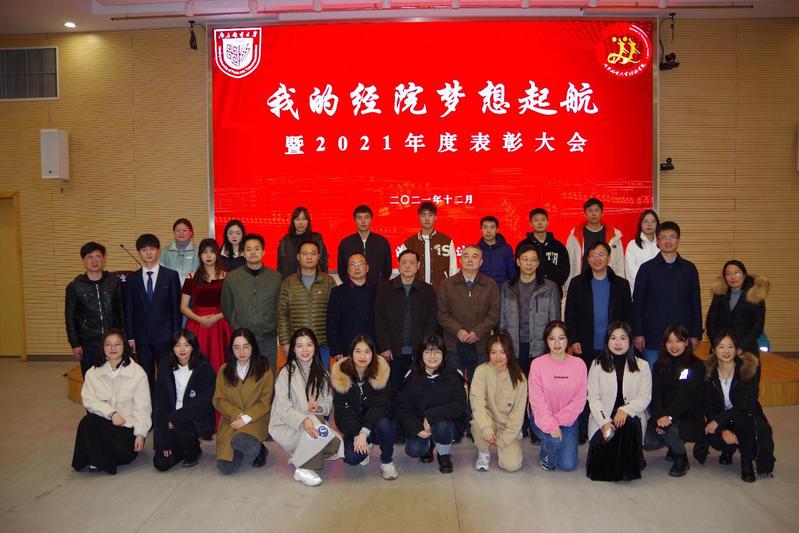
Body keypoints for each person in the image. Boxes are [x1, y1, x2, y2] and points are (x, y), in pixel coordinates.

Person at [565, 241, 633, 442]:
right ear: (587, 259)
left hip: (613, 347)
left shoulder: (621, 285)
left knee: (609, 387)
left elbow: (627, 317)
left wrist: (624, 342)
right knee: (584, 389)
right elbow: (570, 314)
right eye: (593, 255)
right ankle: (583, 428)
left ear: (609, 257)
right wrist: (573, 339)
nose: (597, 259)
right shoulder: (577, 283)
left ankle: (609, 424)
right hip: (585, 346)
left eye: (601, 254)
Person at [269, 328, 343, 487]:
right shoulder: (285, 373)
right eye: (299, 345)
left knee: (335, 445)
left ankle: (302, 454)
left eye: (309, 345)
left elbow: (327, 402)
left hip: (313, 421)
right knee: (318, 433)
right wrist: (303, 419)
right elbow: (282, 408)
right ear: (293, 349)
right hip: (288, 424)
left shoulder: (321, 372)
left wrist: (318, 408)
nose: (305, 350)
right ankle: (304, 468)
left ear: (315, 347)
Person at [72, 329, 151, 475]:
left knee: (102, 437)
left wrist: (141, 434)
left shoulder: (137, 373)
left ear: (124, 346)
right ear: (102, 348)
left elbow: (143, 408)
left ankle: (97, 458)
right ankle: (98, 458)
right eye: (108, 344)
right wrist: (111, 413)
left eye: (117, 344)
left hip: (127, 430)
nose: (112, 348)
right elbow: (89, 400)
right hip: (105, 424)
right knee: (88, 421)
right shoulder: (93, 373)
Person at [704, 330, 775, 482]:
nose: (726, 351)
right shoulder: (708, 372)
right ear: (714, 349)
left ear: (736, 349)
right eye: (721, 346)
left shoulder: (748, 369)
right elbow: (708, 404)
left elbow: (747, 404)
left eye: (730, 347)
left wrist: (719, 420)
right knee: (715, 437)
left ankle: (746, 460)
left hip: (745, 414)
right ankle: (728, 450)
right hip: (722, 416)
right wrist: (723, 429)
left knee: (745, 424)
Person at [586, 322, 651, 482]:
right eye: (613, 338)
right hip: (603, 415)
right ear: (607, 341)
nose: (618, 343)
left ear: (630, 341)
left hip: (631, 414)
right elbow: (593, 398)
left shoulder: (642, 365)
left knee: (627, 426)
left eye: (623, 338)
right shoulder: (596, 364)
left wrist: (625, 410)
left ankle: (630, 465)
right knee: (604, 447)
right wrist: (604, 422)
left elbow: (645, 397)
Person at [633, 221, 702, 368]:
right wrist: (638, 333)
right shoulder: (646, 269)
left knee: (681, 377)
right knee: (653, 376)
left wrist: (696, 334)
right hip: (652, 337)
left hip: (681, 337)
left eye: (672, 237)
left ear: (678, 240)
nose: (668, 241)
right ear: (657, 241)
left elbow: (695, 303)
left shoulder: (689, 269)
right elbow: (638, 303)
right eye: (663, 237)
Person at [395, 335, 468, 474]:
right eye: (428, 352)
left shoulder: (453, 375)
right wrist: (416, 429)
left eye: (437, 352)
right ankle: (429, 446)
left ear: (444, 354)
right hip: (420, 424)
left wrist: (431, 416)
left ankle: (443, 454)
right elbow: (403, 408)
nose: (432, 356)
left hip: (446, 424)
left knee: (441, 427)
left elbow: (459, 405)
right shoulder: (412, 376)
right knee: (414, 450)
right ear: (420, 354)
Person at [331, 334, 399, 480]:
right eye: (358, 351)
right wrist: (358, 434)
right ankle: (365, 446)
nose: (362, 356)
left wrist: (364, 432)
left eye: (367, 351)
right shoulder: (341, 373)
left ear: (373, 353)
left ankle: (386, 461)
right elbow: (342, 410)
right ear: (351, 353)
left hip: (375, 422)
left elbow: (381, 406)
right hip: (354, 425)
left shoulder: (381, 370)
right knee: (351, 458)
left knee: (385, 424)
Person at [644, 324, 707, 477]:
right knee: (648, 441)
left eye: (678, 341)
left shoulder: (696, 365)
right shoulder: (659, 365)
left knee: (672, 430)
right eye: (669, 341)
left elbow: (686, 396)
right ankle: (673, 445)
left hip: (688, 415)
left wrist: (669, 418)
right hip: (663, 415)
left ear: (686, 342)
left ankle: (681, 457)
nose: (673, 346)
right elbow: (656, 394)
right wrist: (659, 417)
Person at [374, 249, 438, 392]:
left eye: (411, 262)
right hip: (392, 352)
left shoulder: (428, 291)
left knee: (418, 390)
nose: (407, 266)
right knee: (394, 390)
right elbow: (379, 320)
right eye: (403, 262)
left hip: (419, 351)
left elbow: (431, 322)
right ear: (398, 265)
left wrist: (424, 348)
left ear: (418, 265)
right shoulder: (385, 289)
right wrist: (384, 346)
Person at [153, 329, 215, 471]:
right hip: (170, 420)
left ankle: (194, 451)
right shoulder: (165, 367)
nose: (182, 349)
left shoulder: (204, 368)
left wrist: (176, 417)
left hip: (192, 418)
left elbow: (204, 403)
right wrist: (163, 441)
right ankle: (181, 449)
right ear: (172, 348)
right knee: (161, 463)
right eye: (177, 345)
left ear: (193, 347)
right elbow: (160, 404)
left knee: (183, 428)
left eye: (186, 345)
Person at [125, 233, 181, 390]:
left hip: (165, 336)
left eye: (152, 249)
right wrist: (130, 336)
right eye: (144, 250)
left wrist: (176, 335)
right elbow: (129, 308)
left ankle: (166, 403)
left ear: (158, 250)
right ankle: (148, 403)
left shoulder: (171, 276)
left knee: (166, 374)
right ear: (139, 253)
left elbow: (175, 308)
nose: (148, 253)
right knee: (145, 375)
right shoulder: (132, 278)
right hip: (142, 337)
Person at [528, 321, 587, 472]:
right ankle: (548, 454)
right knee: (554, 442)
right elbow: (537, 401)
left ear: (568, 340)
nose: (557, 343)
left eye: (561, 338)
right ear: (546, 341)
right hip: (542, 419)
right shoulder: (537, 364)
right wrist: (551, 425)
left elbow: (579, 400)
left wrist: (558, 421)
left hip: (568, 421)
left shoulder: (579, 364)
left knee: (568, 465)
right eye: (552, 338)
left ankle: (553, 445)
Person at [213, 328, 273, 474]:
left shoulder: (264, 369)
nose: (241, 352)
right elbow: (218, 399)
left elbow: (265, 402)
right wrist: (237, 414)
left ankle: (260, 449)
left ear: (253, 347)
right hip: (231, 420)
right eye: (237, 347)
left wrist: (246, 418)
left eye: (246, 347)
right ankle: (239, 448)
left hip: (255, 419)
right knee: (226, 468)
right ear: (231, 349)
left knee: (242, 441)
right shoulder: (224, 370)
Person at [437, 245, 500, 381]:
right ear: (460, 260)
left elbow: (494, 313)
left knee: (480, 385)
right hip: (453, 345)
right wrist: (458, 330)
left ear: (481, 262)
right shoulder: (446, 284)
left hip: (481, 346)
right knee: (453, 384)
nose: (470, 260)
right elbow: (441, 313)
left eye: (474, 256)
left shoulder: (490, 285)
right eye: (466, 256)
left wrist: (477, 332)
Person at [220, 234, 282, 373]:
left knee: (268, 376)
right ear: (243, 253)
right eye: (248, 249)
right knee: (243, 377)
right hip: (242, 339)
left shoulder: (275, 277)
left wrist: (273, 325)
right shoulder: (233, 277)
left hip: (268, 338)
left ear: (263, 252)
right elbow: (227, 307)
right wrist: (237, 327)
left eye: (256, 249)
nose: (253, 252)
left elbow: (280, 307)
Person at [470, 331, 528, 473]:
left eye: (502, 352)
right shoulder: (481, 371)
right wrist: (486, 428)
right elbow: (477, 402)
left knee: (512, 465)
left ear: (510, 352)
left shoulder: (520, 378)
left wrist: (503, 440)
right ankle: (483, 452)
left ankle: (509, 445)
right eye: (493, 352)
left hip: (507, 426)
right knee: (477, 424)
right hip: (487, 420)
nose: (498, 357)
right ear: (488, 353)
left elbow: (518, 415)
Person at [500, 244, 561, 376]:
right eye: (525, 259)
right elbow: (502, 320)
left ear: (538, 263)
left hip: (541, 345)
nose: (529, 263)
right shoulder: (507, 287)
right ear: (518, 262)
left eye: (533, 260)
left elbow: (555, 322)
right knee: (517, 384)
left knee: (539, 383)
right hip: (514, 345)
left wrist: (552, 345)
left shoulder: (550, 287)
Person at [65, 241, 125, 375]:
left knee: (115, 376)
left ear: (103, 259)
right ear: (83, 260)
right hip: (88, 341)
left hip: (113, 340)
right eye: (90, 257)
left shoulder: (114, 282)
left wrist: (124, 337)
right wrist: (75, 343)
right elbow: (70, 318)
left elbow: (122, 311)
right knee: (91, 378)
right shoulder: (75, 287)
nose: (94, 261)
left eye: (98, 257)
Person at [278, 240, 336, 368]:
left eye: (313, 253)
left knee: (322, 378)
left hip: (322, 344)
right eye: (305, 253)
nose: (309, 257)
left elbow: (335, 315)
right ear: (298, 257)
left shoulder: (328, 281)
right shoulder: (288, 282)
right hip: (298, 344)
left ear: (318, 257)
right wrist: (285, 342)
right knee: (298, 378)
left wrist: (335, 341)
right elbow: (282, 314)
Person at [181, 238, 231, 372]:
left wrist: (217, 317)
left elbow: (233, 304)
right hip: (197, 324)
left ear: (217, 254)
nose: (208, 256)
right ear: (200, 255)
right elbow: (183, 306)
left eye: (212, 252)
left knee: (220, 361)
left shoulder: (227, 276)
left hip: (220, 323)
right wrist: (199, 319)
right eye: (204, 252)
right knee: (196, 362)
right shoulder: (191, 277)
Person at [706, 260, 768, 357]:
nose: (733, 277)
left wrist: (741, 348)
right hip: (721, 348)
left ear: (744, 275)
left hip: (746, 348)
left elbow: (758, 325)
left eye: (737, 273)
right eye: (728, 274)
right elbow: (710, 322)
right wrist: (716, 344)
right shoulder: (719, 293)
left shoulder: (755, 294)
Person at [326, 252, 377, 361]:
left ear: (367, 268)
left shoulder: (378, 290)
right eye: (353, 264)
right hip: (347, 349)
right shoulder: (337, 292)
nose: (357, 267)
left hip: (373, 348)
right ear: (348, 269)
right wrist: (336, 349)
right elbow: (332, 323)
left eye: (360, 264)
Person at [565, 198, 624, 290]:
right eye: (590, 211)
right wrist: (568, 287)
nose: (593, 214)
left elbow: (619, 263)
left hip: (608, 282)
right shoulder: (575, 235)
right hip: (582, 283)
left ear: (602, 212)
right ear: (585, 213)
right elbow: (570, 262)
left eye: (596, 210)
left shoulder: (614, 236)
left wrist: (620, 286)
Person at [398, 201, 457, 289]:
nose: (427, 218)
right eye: (423, 215)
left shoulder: (446, 241)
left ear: (435, 217)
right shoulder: (409, 243)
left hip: (440, 291)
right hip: (415, 291)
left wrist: (451, 290)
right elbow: (403, 270)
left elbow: (453, 270)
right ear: (419, 217)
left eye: (430, 215)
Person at [515, 208, 570, 292]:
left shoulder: (558, 246)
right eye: (536, 220)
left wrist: (553, 285)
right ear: (530, 224)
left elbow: (565, 270)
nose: (540, 223)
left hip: (553, 291)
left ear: (548, 223)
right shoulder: (523, 245)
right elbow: (517, 268)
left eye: (543, 220)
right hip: (529, 291)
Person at [336, 204, 392, 287]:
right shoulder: (346, 243)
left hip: (376, 289)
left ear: (371, 219)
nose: (363, 221)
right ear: (355, 220)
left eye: (366, 217)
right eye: (359, 218)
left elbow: (387, 269)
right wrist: (350, 285)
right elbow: (341, 269)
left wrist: (380, 285)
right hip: (352, 289)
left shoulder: (382, 242)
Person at [277, 206, 329, 278]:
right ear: (293, 221)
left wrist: (323, 280)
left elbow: (324, 263)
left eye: (304, 219)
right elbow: (280, 266)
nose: (301, 222)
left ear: (308, 221)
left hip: (313, 281)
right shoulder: (285, 241)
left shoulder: (317, 239)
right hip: (290, 282)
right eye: (297, 219)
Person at [624, 209, 660, 295]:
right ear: (640, 224)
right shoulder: (632, 245)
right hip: (640, 293)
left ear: (657, 224)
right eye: (645, 221)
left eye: (653, 221)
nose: (649, 224)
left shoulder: (662, 245)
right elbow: (631, 274)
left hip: (660, 293)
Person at [476, 215, 515, 286]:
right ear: (481, 230)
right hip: (481, 289)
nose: (488, 231)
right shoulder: (476, 249)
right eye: (485, 227)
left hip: (502, 289)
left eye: (492, 227)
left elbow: (512, 271)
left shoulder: (506, 249)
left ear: (497, 230)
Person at [160, 218, 199, 286]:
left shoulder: (198, 251)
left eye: (184, 230)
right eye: (178, 230)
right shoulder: (165, 251)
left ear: (191, 232)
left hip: (191, 288)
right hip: (169, 288)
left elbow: (200, 273)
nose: (181, 233)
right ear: (174, 233)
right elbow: (160, 272)